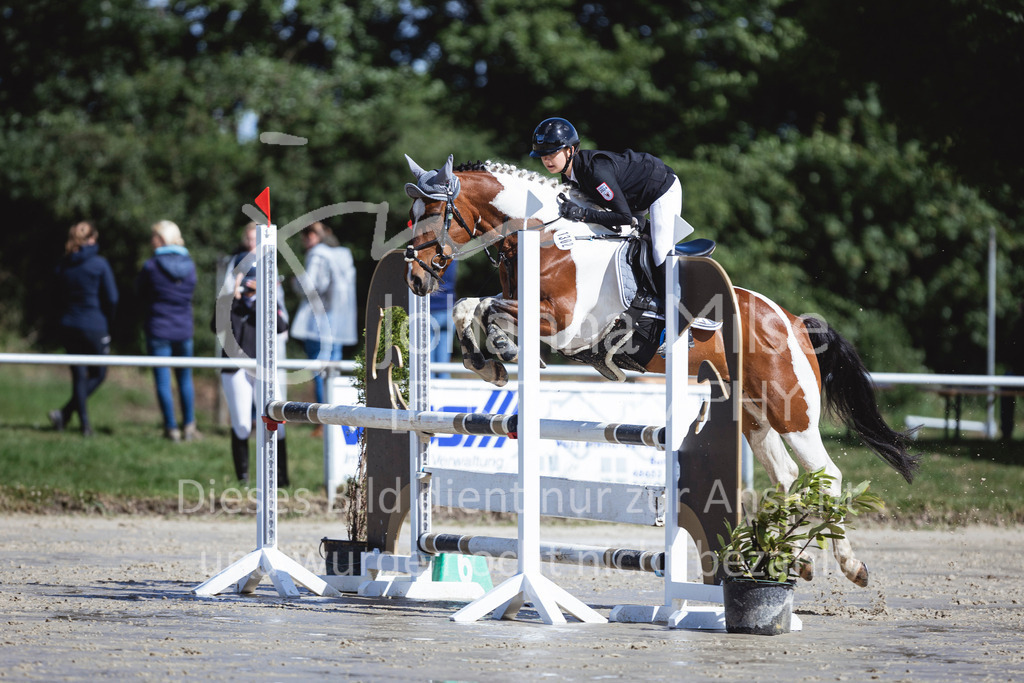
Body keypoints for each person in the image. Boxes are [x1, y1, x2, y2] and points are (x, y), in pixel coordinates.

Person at [530, 116, 684, 289]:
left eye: (552, 153)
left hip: (659, 188)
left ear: (570, 150)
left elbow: (623, 217)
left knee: (661, 250)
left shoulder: (595, 172)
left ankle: (678, 307)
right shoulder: (568, 176)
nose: (547, 160)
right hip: (632, 199)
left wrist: (584, 215)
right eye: (542, 155)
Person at [213, 275, 290, 486]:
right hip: (235, 369)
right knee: (243, 426)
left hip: (263, 369)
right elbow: (219, 327)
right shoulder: (230, 302)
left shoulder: (267, 301)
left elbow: (281, 326)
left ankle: (282, 480)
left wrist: (267, 297)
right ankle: (242, 480)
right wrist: (235, 297)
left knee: (278, 422)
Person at [48, 221, 119, 437]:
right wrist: (109, 321)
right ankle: (72, 417)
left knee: (79, 376)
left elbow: (55, 296)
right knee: (99, 373)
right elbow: (113, 298)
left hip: (69, 325)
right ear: (91, 239)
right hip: (94, 325)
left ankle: (76, 420)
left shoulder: (63, 264)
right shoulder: (99, 264)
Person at [136, 220, 201, 442]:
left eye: (153, 238)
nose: (151, 242)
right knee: (185, 379)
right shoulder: (190, 265)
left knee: (163, 381)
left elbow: (140, 293)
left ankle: (171, 428)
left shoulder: (151, 266)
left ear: (162, 239)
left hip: (158, 328)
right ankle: (190, 426)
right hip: (184, 328)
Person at [290, 222, 358, 434]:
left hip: (319, 321)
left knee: (319, 371)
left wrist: (294, 282)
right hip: (339, 322)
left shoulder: (318, 254)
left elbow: (310, 286)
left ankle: (323, 419)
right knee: (333, 371)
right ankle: (336, 415)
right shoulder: (343, 255)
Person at [430, 259, 458, 377]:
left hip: (430, 309)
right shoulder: (453, 258)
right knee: (444, 364)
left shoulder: (428, 258)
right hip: (448, 309)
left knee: (427, 365)